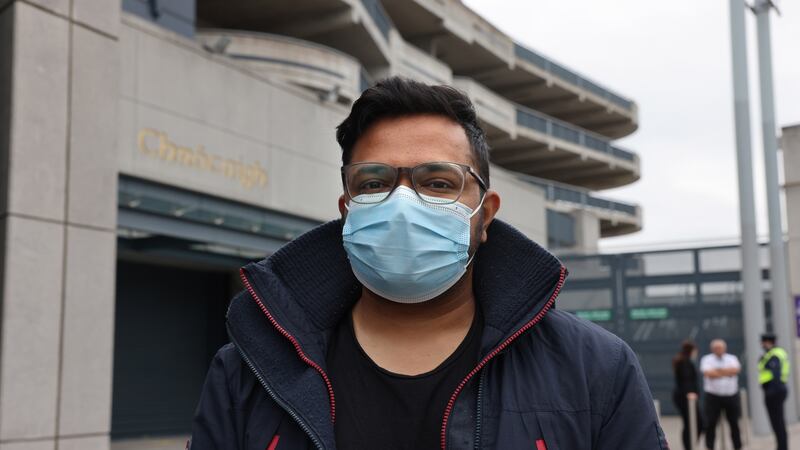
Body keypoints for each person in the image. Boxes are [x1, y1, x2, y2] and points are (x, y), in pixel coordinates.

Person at [188, 77, 666, 449]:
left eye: (438, 183)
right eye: (373, 183)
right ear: (346, 208)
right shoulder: (247, 372)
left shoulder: (594, 370)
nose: (401, 203)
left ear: (486, 214)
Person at [700, 339, 742, 450]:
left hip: (731, 395)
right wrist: (726, 372)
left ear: (725, 348)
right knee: (711, 423)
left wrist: (717, 372)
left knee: (734, 423)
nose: (719, 350)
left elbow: (735, 370)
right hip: (713, 396)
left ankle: (737, 446)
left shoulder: (732, 358)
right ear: (712, 349)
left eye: (721, 348)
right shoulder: (707, 359)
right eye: (716, 348)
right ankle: (710, 447)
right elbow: (708, 373)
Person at [759, 332, 790, 450]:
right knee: (777, 422)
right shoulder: (772, 353)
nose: (761, 344)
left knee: (778, 422)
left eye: (763, 342)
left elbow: (775, 373)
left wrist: (771, 391)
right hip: (776, 390)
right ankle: (781, 446)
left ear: (768, 342)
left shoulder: (774, 355)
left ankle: (782, 447)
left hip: (774, 390)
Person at [673, 340, 703, 450]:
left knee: (691, 423)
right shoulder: (685, 363)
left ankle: (690, 445)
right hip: (686, 398)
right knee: (695, 423)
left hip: (684, 397)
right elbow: (686, 380)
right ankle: (689, 446)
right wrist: (690, 394)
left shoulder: (684, 361)